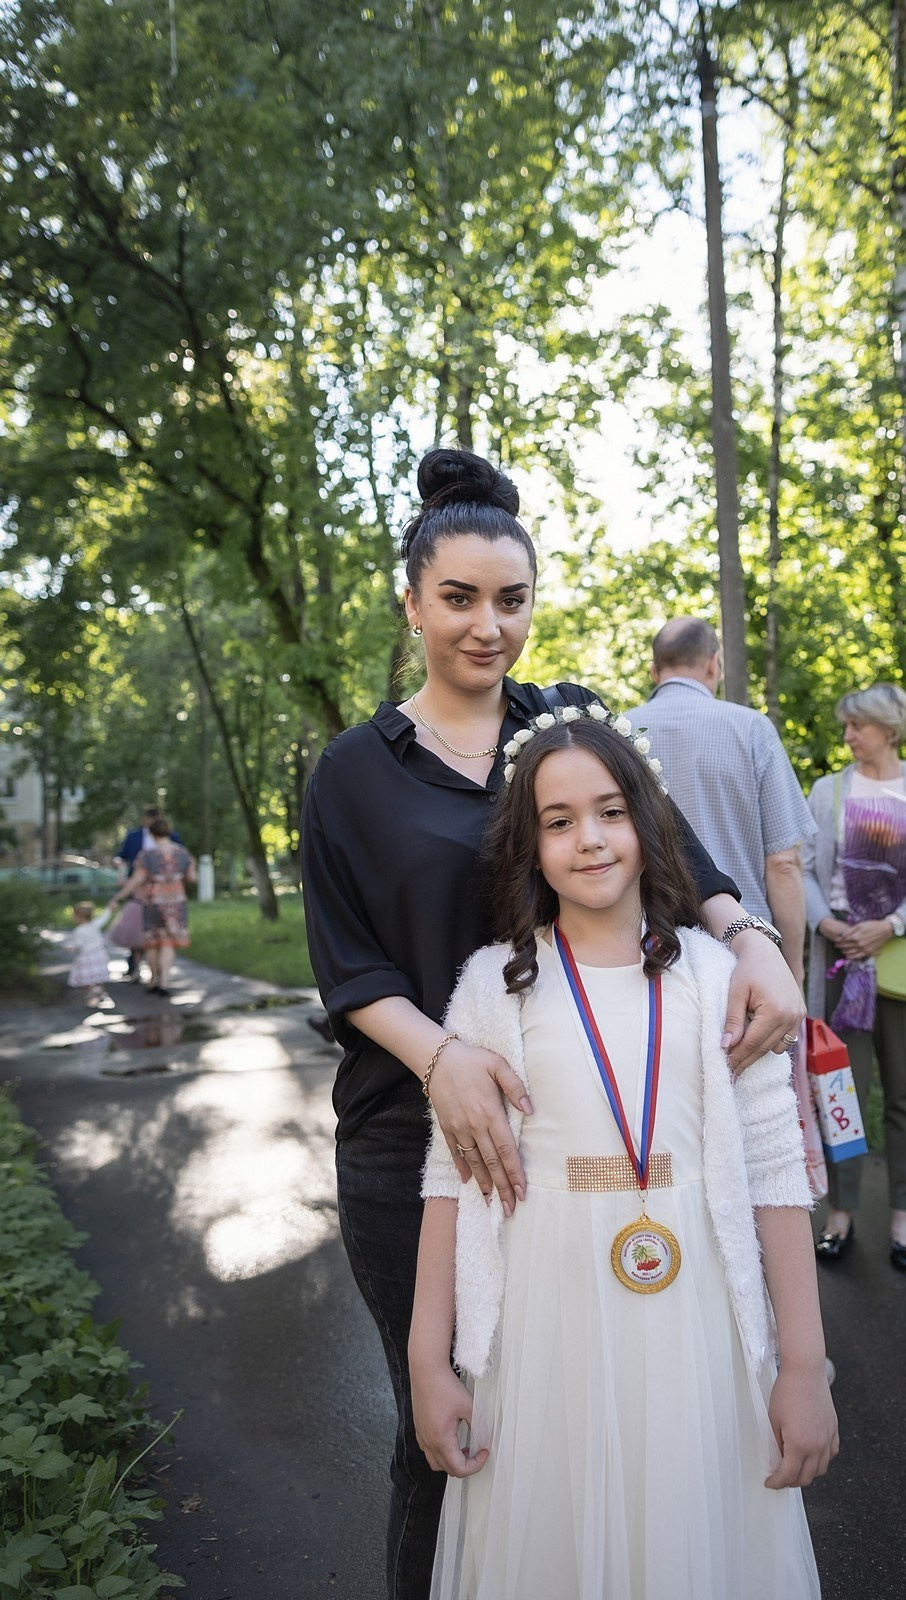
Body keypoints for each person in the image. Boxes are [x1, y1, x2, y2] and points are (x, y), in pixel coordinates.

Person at [299, 447, 806, 1600]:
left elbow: (677, 857)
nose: (489, 627)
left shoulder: (566, 725)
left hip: (589, 1134)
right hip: (417, 1147)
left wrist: (757, 942)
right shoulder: (351, 773)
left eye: (512, 600)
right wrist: (443, 1059)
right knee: (453, 1429)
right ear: (411, 598)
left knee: (587, 1422)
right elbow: (350, 967)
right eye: (460, 598)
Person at [409, 711, 836, 1600]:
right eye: (558, 822)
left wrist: (802, 1368)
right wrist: (427, 1362)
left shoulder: (721, 982)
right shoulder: (492, 986)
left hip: (696, 1332)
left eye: (609, 812)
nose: (589, 839)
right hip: (540, 1334)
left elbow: (773, 1175)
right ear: (529, 846)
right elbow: (449, 1181)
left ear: (648, 819)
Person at [629, 616, 826, 1198]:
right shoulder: (751, 729)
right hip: (748, 965)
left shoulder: (619, 734)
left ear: (653, 668)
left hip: (653, 960)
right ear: (713, 663)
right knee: (758, 1142)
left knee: (670, 1129)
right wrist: (791, 969)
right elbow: (785, 865)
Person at [803, 685, 906, 1271]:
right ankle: (840, 1215)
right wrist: (827, 923)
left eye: (857, 727)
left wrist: (891, 924)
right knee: (840, 1091)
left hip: (903, 958)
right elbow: (806, 865)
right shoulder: (827, 791)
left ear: (889, 729)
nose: (847, 737)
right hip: (843, 957)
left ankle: (904, 1220)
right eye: (846, 727)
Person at [109, 815, 196, 996]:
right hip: (176, 902)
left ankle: (154, 980)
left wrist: (119, 896)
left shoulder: (147, 855)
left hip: (153, 902)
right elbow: (192, 878)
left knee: (152, 943)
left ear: (151, 833)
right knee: (168, 943)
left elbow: (136, 880)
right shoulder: (183, 853)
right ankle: (165, 982)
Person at [67, 901, 114, 1007]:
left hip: (86, 957)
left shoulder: (79, 931)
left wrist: (69, 948)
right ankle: (99, 991)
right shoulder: (94, 925)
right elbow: (104, 917)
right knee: (97, 976)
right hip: (98, 955)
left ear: (78, 917)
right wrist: (109, 908)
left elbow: (78, 944)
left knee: (88, 978)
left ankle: (93, 995)